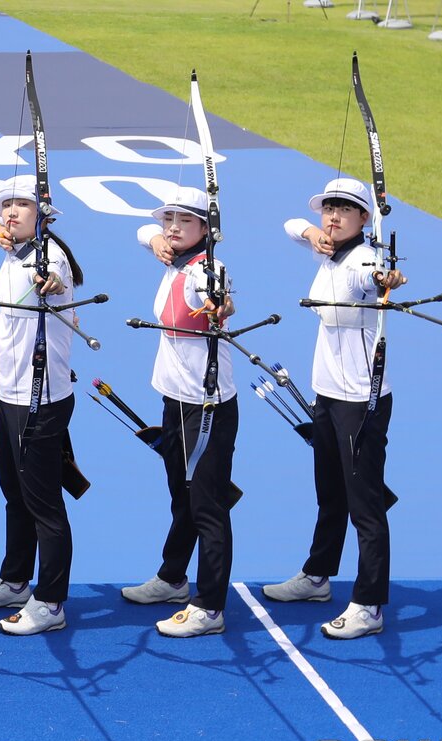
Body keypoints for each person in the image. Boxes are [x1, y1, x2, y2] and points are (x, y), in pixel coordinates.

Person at [261, 177, 406, 640]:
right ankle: (317, 576)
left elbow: (375, 276)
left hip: (360, 400)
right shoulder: (329, 249)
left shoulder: (363, 259)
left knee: (365, 506)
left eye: (345, 209)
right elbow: (291, 224)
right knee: (330, 492)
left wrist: (386, 279)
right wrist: (311, 233)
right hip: (326, 394)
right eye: (329, 208)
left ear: (366, 218)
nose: (334, 216)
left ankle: (369, 604)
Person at [0, 178, 78, 636]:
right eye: (5, 205)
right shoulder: (14, 246)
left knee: (44, 504)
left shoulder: (51, 259)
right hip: (8, 394)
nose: (10, 212)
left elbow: (54, 278)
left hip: (40, 400)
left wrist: (51, 282)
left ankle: (50, 602)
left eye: (21, 205)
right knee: (15, 493)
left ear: (43, 213)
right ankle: (14, 581)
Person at [118, 186, 238, 638]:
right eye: (169, 219)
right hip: (174, 399)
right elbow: (142, 232)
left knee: (207, 506)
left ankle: (210, 607)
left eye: (185, 220)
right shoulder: (175, 259)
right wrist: (156, 239)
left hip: (206, 405)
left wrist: (220, 305)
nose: (172, 227)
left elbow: (218, 298)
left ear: (206, 229)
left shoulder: (208, 270)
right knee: (181, 496)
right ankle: (173, 579)